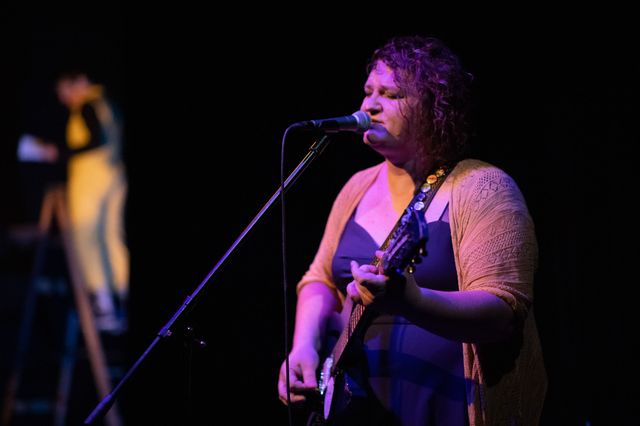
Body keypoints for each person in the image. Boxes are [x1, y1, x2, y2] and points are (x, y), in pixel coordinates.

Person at [277, 36, 547, 425]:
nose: (369, 105)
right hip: (357, 408)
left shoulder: (484, 187)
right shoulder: (358, 186)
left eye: (391, 94)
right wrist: (302, 345)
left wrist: (411, 301)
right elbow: (319, 279)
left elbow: (503, 311)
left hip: (447, 405)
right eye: (368, 91)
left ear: (435, 107)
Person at [54, 71, 129, 333]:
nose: (66, 99)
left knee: (85, 238)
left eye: (67, 91)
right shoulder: (105, 103)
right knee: (110, 238)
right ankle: (121, 295)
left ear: (80, 82)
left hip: (90, 180)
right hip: (113, 176)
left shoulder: (87, 104)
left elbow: (95, 140)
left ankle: (104, 305)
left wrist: (58, 152)